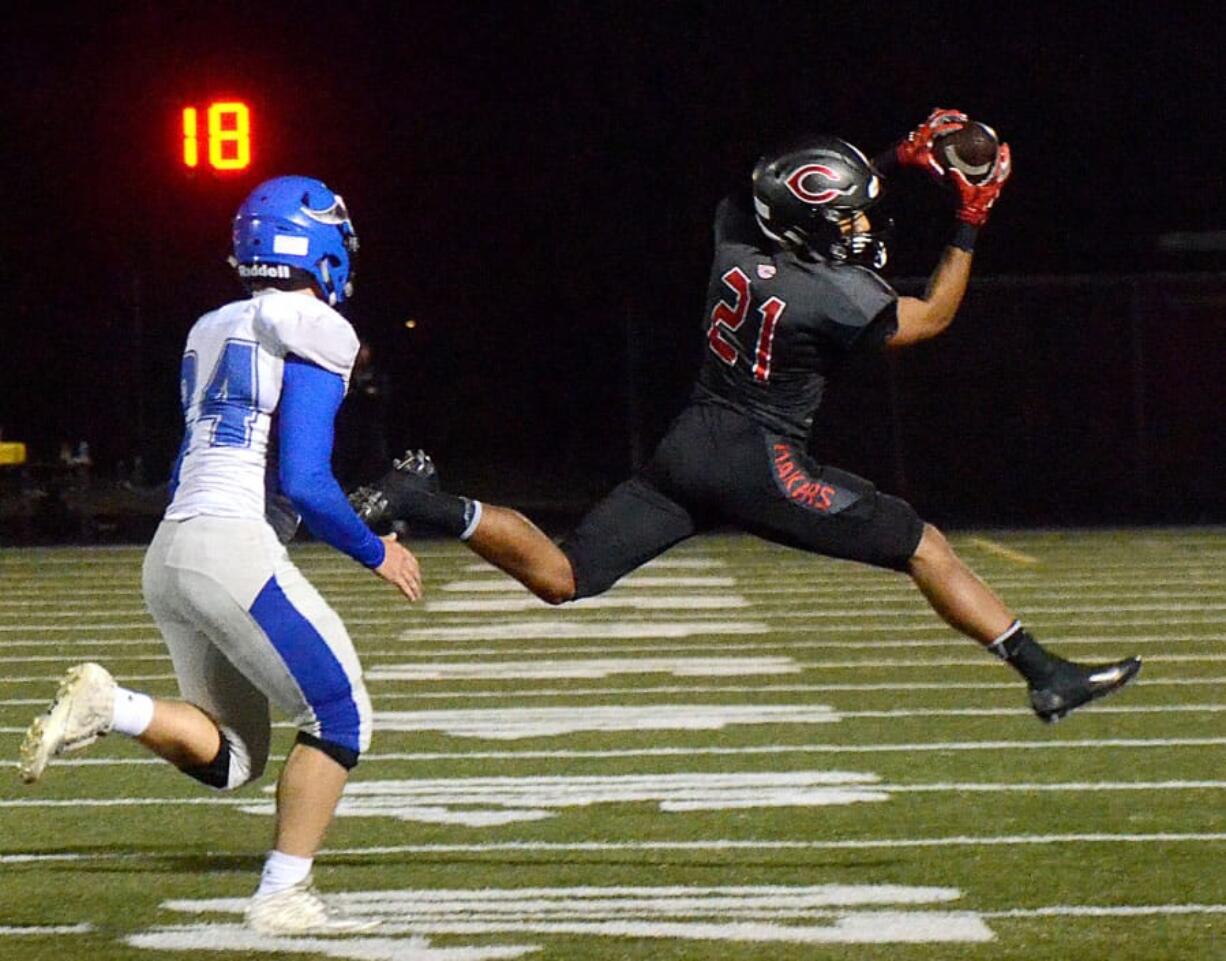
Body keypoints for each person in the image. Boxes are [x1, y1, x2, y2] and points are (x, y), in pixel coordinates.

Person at [355, 109, 1140, 722]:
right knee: (923, 544)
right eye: (850, 219)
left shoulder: (734, 235)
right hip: (761, 462)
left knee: (565, 574)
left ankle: (428, 500)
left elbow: (790, 191)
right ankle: (1044, 674)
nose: (862, 229)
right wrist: (972, 214)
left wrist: (890, 162)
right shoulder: (831, 297)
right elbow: (931, 316)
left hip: (689, 444)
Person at [18, 175, 423, 934]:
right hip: (228, 544)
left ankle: (117, 706)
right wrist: (377, 551)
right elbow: (305, 476)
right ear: (321, 248)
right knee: (341, 716)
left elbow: (190, 464)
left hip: (172, 548)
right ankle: (282, 895)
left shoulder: (211, 324)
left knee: (233, 756)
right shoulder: (318, 325)